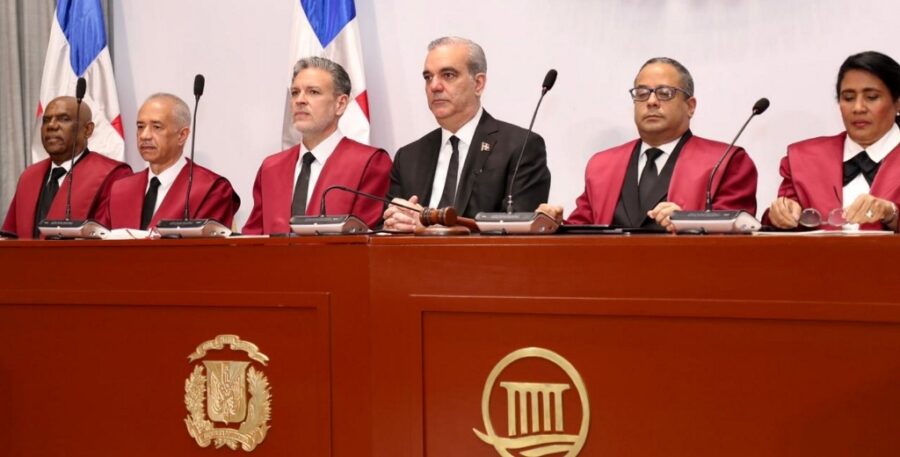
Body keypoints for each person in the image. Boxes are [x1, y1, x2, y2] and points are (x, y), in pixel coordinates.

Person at [539, 57, 757, 232]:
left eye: (665, 93)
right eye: (642, 93)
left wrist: (689, 222)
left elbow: (737, 233)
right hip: (612, 279)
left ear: (690, 106)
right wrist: (554, 225)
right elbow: (584, 230)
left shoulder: (725, 161)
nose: (651, 101)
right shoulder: (602, 165)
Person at [382, 36, 551, 231]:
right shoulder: (408, 157)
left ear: (478, 84)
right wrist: (394, 222)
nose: (434, 86)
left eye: (448, 75)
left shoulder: (520, 148)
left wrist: (428, 228)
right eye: (428, 77)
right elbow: (383, 228)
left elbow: (518, 232)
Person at [243, 57, 391, 234]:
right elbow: (252, 240)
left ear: (340, 104)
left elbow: (366, 241)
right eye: (295, 92)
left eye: (313, 92)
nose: (300, 100)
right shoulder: (271, 168)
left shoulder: (369, 162)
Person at [766, 51, 900, 231]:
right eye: (848, 98)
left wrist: (892, 214)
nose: (858, 108)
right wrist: (781, 215)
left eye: (871, 97)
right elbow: (774, 231)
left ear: (897, 102)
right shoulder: (804, 159)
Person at [2, 96, 131, 238]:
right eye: (46, 120)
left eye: (64, 119)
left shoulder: (113, 176)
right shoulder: (29, 177)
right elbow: (9, 237)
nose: (52, 126)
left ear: (88, 130)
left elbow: (107, 242)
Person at [107, 93, 239, 230]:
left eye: (157, 127)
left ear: (182, 135)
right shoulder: (120, 189)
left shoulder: (211, 189)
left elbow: (208, 249)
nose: (144, 136)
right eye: (140, 127)